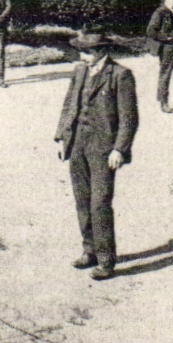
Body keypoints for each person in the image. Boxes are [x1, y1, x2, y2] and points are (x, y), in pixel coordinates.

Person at [53, 30, 139, 280]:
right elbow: (69, 105)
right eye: (81, 50)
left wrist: (119, 149)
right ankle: (88, 250)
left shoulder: (121, 76)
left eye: (87, 51)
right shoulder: (79, 71)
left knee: (100, 203)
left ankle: (105, 260)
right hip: (77, 143)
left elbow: (129, 118)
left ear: (102, 51)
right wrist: (62, 137)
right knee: (82, 199)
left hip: (103, 149)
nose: (82, 55)